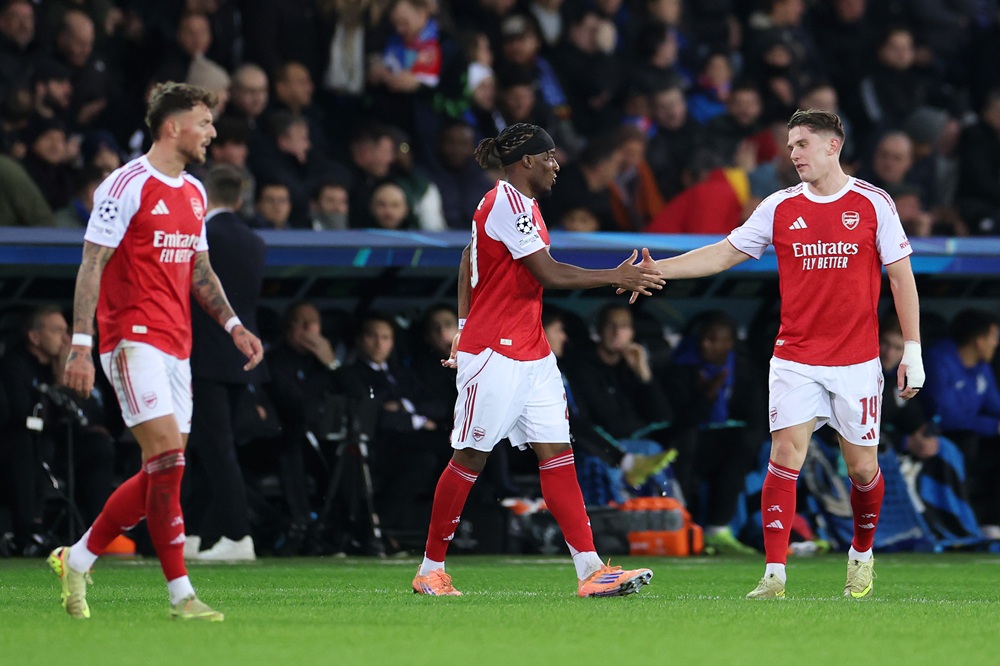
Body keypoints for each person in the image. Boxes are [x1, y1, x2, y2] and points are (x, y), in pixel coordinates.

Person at [630, 109, 924, 599]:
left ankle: (861, 554)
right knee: (784, 454)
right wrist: (659, 269)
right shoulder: (779, 206)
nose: (792, 154)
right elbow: (724, 253)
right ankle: (774, 574)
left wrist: (912, 349)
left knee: (861, 470)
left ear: (834, 145)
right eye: (790, 145)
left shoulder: (874, 204)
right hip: (795, 357)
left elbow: (901, 277)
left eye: (802, 144)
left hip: (856, 361)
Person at [412, 122, 663, 598]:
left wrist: (460, 325)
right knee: (470, 456)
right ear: (525, 161)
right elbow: (546, 272)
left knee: (558, 456)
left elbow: (470, 258)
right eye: (549, 156)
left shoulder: (521, 207)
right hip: (494, 354)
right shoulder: (504, 201)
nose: (556, 164)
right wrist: (617, 276)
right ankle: (430, 568)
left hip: (533, 354)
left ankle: (590, 571)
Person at [51, 82, 264, 621]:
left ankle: (77, 558)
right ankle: (181, 596)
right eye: (206, 122)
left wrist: (234, 324)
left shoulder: (194, 192)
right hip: (131, 338)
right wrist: (81, 345)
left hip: (178, 345)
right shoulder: (124, 185)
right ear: (174, 127)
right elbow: (91, 264)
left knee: (161, 469)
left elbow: (198, 268)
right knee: (168, 458)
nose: (214, 133)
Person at [183, 163, 267, 562]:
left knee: (214, 450)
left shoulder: (203, 237)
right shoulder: (254, 241)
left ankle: (238, 536)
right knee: (210, 447)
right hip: (240, 359)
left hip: (202, 358)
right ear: (239, 198)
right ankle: (195, 534)